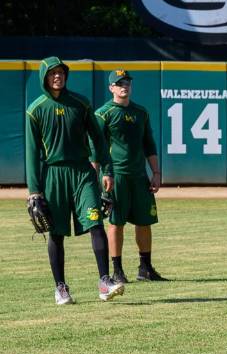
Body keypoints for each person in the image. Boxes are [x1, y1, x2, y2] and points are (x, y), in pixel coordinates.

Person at [25, 56, 125, 304]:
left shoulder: (80, 104)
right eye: (52, 73)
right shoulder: (35, 110)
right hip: (53, 174)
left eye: (61, 72)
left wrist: (107, 170)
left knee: (95, 223)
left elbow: (98, 139)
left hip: (82, 172)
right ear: (44, 78)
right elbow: (32, 153)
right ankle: (60, 287)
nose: (57, 76)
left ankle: (104, 281)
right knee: (56, 233)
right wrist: (34, 191)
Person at [94, 69, 166, 284]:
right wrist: (95, 176)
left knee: (144, 221)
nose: (124, 86)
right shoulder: (103, 113)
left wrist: (156, 172)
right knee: (116, 222)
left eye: (127, 82)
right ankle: (117, 269)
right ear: (111, 88)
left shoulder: (140, 112)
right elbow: (96, 147)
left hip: (139, 176)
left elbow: (149, 144)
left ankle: (145, 268)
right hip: (115, 176)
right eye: (119, 83)